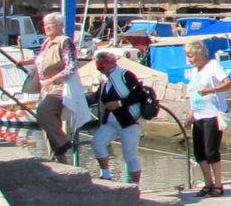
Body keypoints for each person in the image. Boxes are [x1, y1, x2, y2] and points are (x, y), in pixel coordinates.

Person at [90, 49, 150, 184]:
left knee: (129, 155)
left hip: (129, 121)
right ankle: (105, 175)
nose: (99, 69)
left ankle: (135, 185)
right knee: (97, 142)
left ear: (107, 63)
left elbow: (139, 95)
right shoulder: (105, 80)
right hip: (111, 121)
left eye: (100, 65)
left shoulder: (125, 75)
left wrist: (119, 103)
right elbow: (97, 96)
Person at [183, 38, 231, 198]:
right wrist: (190, 116)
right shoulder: (193, 71)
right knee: (199, 153)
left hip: (212, 115)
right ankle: (208, 183)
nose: (189, 60)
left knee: (211, 151)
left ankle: (218, 184)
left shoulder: (213, 66)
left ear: (200, 54)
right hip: (198, 115)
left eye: (191, 56)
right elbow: (193, 94)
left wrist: (211, 90)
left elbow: (229, 84)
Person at [31, 13, 79, 164]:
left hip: (60, 87)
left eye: (51, 23)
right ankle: (58, 158)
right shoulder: (47, 42)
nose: (47, 26)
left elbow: (71, 66)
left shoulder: (64, 41)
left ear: (60, 26)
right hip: (45, 87)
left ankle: (63, 142)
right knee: (48, 122)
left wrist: (52, 79)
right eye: (45, 24)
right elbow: (42, 61)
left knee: (43, 111)